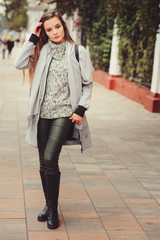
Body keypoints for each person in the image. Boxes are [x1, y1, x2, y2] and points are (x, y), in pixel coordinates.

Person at [15, 11, 93, 230]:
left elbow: (88, 84)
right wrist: (33, 37)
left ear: (64, 26)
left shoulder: (78, 51)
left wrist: (80, 108)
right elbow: (19, 63)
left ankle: (52, 209)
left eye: (57, 27)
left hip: (65, 113)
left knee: (50, 157)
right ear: (44, 31)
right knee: (43, 162)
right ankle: (50, 206)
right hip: (42, 113)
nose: (54, 32)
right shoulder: (41, 51)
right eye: (49, 29)